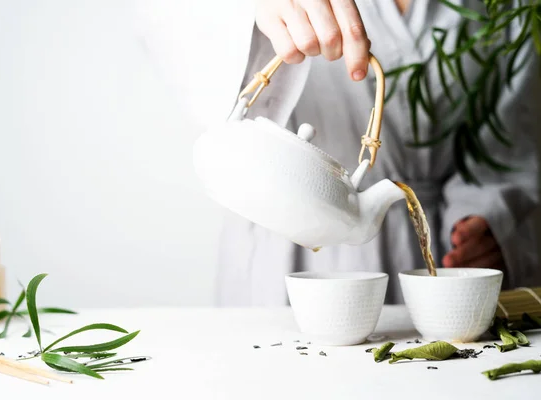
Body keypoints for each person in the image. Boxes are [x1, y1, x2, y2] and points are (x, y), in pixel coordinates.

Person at [139, 0, 541, 305]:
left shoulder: (503, 9)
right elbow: (171, 25)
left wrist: (490, 221)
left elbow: (511, 144)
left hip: (430, 260)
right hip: (283, 260)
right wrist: (254, 11)